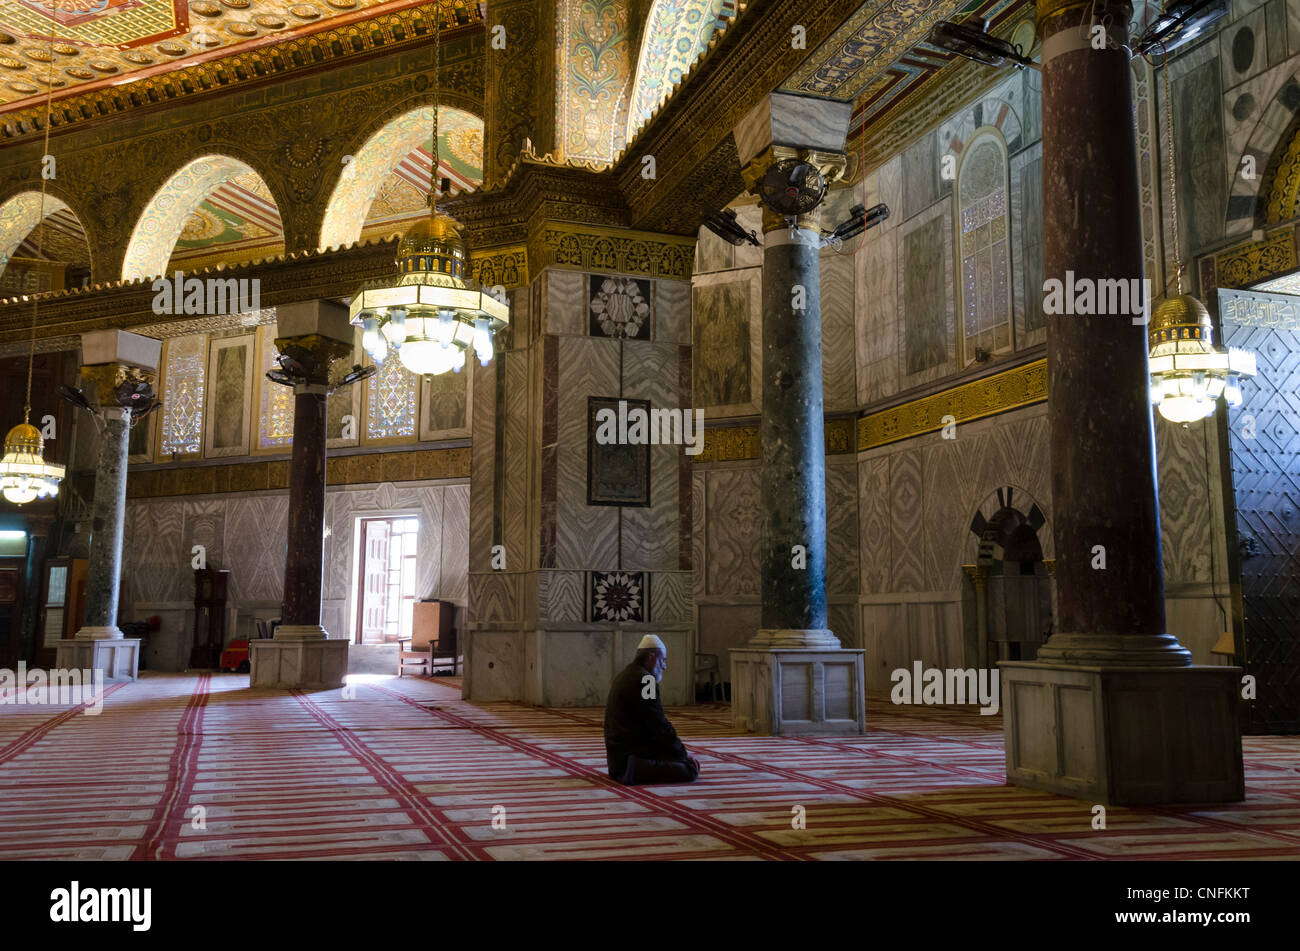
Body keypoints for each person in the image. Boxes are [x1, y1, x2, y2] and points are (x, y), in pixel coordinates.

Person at [603, 635, 701, 785]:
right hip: (630, 761)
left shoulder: (626, 674)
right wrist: (682, 754)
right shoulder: (646, 680)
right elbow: (658, 723)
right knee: (688, 770)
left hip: (617, 759)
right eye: (663, 660)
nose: (664, 666)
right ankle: (637, 770)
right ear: (651, 657)